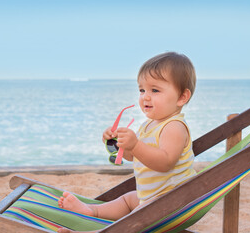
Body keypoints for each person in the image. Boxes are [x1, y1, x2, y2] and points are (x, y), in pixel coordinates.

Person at [57, 52, 197, 233]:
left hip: (173, 200)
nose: (145, 96)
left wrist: (136, 145)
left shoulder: (174, 127)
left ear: (182, 97)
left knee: (134, 220)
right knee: (127, 200)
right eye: (142, 90)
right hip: (151, 197)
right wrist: (117, 144)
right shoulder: (148, 125)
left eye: (155, 90)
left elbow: (165, 163)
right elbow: (134, 156)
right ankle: (92, 210)